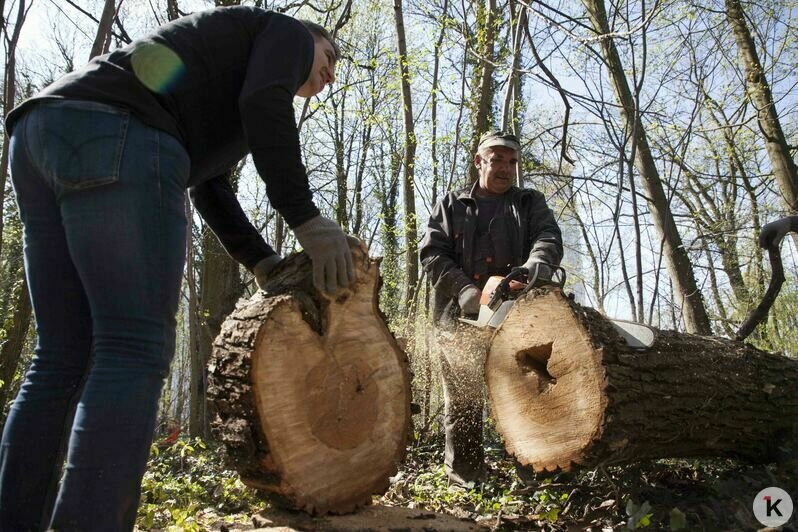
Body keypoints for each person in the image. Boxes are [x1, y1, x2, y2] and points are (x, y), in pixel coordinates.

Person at [0, 6, 353, 530]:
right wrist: (306, 219)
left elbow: (207, 183)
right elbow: (264, 103)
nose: (329, 71)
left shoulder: (218, 88)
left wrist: (260, 260)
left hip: (38, 133)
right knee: (132, 348)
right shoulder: (286, 33)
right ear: (309, 41)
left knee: (60, 356)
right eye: (329, 57)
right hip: (118, 131)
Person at [419, 130, 563, 486]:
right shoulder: (451, 205)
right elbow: (432, 253)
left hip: (516, 319)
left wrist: (535, 266)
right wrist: (464, 289)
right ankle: (466, 478)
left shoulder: (528, 203)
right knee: (464, 402)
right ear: (479, 161)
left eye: (511, 161)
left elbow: (548, 237)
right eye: (497, 159)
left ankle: (533, 474)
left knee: (526, 394)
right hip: (458, 318)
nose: (505, 168)